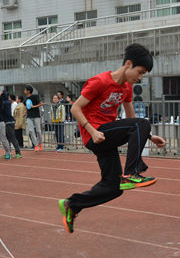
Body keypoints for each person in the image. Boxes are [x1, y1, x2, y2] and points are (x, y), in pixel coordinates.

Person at [58, 44, 166, 234]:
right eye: (139, 72)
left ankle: (72, 204)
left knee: (113, 188)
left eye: (143, 74)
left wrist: (149, 136)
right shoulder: (99, 82)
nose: (140, 78)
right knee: (142, 123)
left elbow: (132, 119)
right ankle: (131, 173)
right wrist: (91, 130)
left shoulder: (127, 88)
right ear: (128, 64)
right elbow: (76, 108)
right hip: (94, 134)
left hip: (105, 136)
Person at [1, 90, 22, 159]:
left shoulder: (6, 103)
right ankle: (8, 152)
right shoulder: (6, 102)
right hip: (6, 122)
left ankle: (18, 152)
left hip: (9, 122)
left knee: (12, 138)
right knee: (7, 138)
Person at [24, 85, 44, 152]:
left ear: (28, 91)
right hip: (29, 116)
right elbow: (27, 107)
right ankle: (35, 145)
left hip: (36, 116)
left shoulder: (35, 96)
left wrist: (34, 106)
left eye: (25, 90)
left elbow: (41, 103)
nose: (24, 91)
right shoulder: (26, 98)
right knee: (31, 131)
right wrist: (25, 113)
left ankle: (40, 143)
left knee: (38, 130)